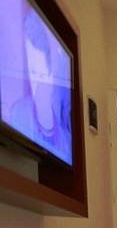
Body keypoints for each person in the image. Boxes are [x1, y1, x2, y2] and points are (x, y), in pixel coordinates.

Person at [6, 8, 72, 164]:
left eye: (42, 76)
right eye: (32, 72)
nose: (37, 85)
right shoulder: (18, 115)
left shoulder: (67, 133)